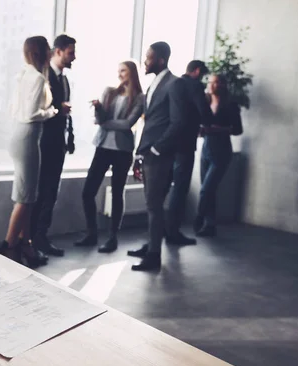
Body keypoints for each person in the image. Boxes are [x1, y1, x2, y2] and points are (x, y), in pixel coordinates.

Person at [0, 36, 57, 266]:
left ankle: (26, 244)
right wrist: (52, 112)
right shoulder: (37, 78)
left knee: (27, 194)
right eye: (48, 49)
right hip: (28, 137)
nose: (51, 52)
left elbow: (14, 109)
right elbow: (31, 114)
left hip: (19, 135)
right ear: (41, 52)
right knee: (25, 197)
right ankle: (7, 246)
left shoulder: (22, 75)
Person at [74, 61, 144, 253]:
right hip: (103, 147)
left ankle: (112, 237)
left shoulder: (139, 97)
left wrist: (105, 123)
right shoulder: (109, 92)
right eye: (118, 71)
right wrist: (98, 109)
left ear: (132, 73)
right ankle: (92, 234)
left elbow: (128, 124)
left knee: (117, 193)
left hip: (123, 150)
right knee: (88, 191)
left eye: (123, 71)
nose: (120, 74)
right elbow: (99, 120)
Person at [128, 42, 186, 271]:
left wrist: (156, 149)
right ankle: (151, 244)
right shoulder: (154, 83)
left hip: (159, 155)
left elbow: (178, 122)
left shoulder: (175, 84)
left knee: (153, 205)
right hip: (148, 152)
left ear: (160, 60)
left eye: (148, 57)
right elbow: (152, 121)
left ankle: (153, 256)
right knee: (152, 204)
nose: (145, 61)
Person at [31, 34, 76, 258]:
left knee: (50, 193)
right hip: (43, 143)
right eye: (70, 52)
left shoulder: (65, 79)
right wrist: (59, 108)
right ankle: (32, 239)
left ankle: (41, 237)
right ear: (57, 51)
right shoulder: (42, 76)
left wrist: (71, 139)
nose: (74, 57)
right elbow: (37, 110)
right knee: (40, 193)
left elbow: (67, 114)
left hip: (58, 143)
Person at [165, 60, 213, 245]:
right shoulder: (194, 85)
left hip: (168, 142)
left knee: (165, 187)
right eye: (202, 75)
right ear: (198, 71)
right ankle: (173, 231)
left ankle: (161, 228)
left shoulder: (173, 84)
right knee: (180, 187)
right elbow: (204, 112)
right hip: (185, 143)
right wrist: (205, 122)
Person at [195, 74, 243, 237]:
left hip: (222, 150)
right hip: (206, 148)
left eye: (216, 82)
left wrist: (217, 129)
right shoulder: (205, 102)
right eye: (210, 82)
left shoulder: (230, 105)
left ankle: (199, 217)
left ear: (223, 85)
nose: (212, 85)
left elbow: (237, 129)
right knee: (209, 190)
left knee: (206, 190)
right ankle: (210, 225)